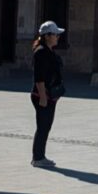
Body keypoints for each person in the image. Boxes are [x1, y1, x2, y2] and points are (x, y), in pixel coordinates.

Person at [31, 20, 65, 168]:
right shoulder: (41, 52)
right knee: (43, 126)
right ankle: (38, 157)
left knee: (46, 126)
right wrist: (43, 96)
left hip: (51, 95)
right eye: (55, 34)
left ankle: (40, 156)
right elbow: (38, 77)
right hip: (42, 95)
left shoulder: (49, 51)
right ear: (47, 36)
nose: (58, 37)